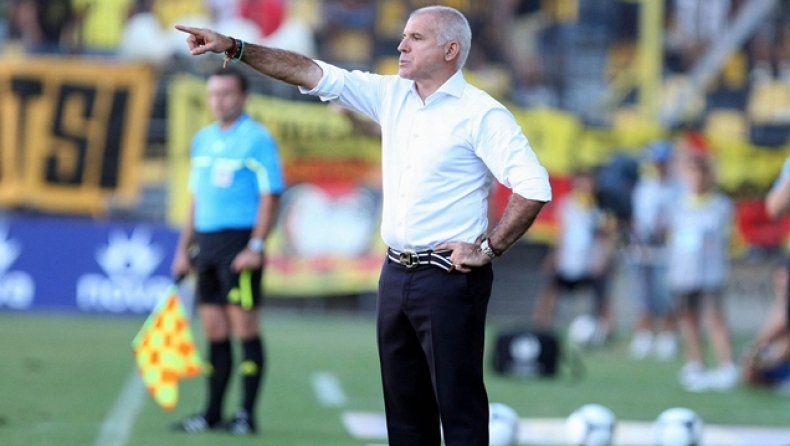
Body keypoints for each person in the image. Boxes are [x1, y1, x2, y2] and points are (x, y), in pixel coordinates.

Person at [175, 5, 552, 445]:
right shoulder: (391, 93)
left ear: (451, 50)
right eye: (404, 35)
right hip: (395, 273)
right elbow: (308, 70)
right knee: (405, 415)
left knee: (459, 410)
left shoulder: (482, 113)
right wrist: (236, 48)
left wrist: (488, 248)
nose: (401, 45)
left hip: (450, 277)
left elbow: (533, 185)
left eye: (416, 38)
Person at [169, 66, 286, 435]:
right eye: (213, 94)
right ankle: (211, 413)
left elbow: (271, 195)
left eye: (226, 94)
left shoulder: (257, 139)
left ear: (244, 97)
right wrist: (183, 250)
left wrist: (256, 246)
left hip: (239, 245)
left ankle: (246, 415)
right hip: (207, 245)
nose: (218, 101)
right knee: (214, 330)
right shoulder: (202, 139)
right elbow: (196, 198)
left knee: (244, 328)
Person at [667, 153, 738, 392]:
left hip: (710, 273)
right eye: (691, 172)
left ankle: (726, 365)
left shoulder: (720, 205)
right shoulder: (678, 204)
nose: (696, 177)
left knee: (715, 318)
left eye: (701, 172)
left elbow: (729, 239)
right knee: (688, 319)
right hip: (683, 272)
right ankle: (695, 364)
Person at [531, 168, 617, 346]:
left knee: (602, 298)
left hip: (591, 261)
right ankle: (540, 329)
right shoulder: (567, 204)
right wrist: (553, 256)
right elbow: (560, 232)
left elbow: (607, 236)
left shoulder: (601, 206)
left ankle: (607, 332)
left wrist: (603, 258)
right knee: (550, 292)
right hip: (568, 259)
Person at [626, 141, 684, 361]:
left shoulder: (679, 188)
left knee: (667, 293)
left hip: (668, 249)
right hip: (644, 247)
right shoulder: (644, 188)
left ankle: (668, 334)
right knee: (643, 293)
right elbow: (639, 219)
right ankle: (644, 333)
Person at [741, 265, 790, 392]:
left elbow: (778, 331)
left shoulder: (784, 308)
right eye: (779, 277)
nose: (782, 281)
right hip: (778, 356)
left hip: (783, 357)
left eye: (784, 276)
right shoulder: (778, 303)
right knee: (750, 369)